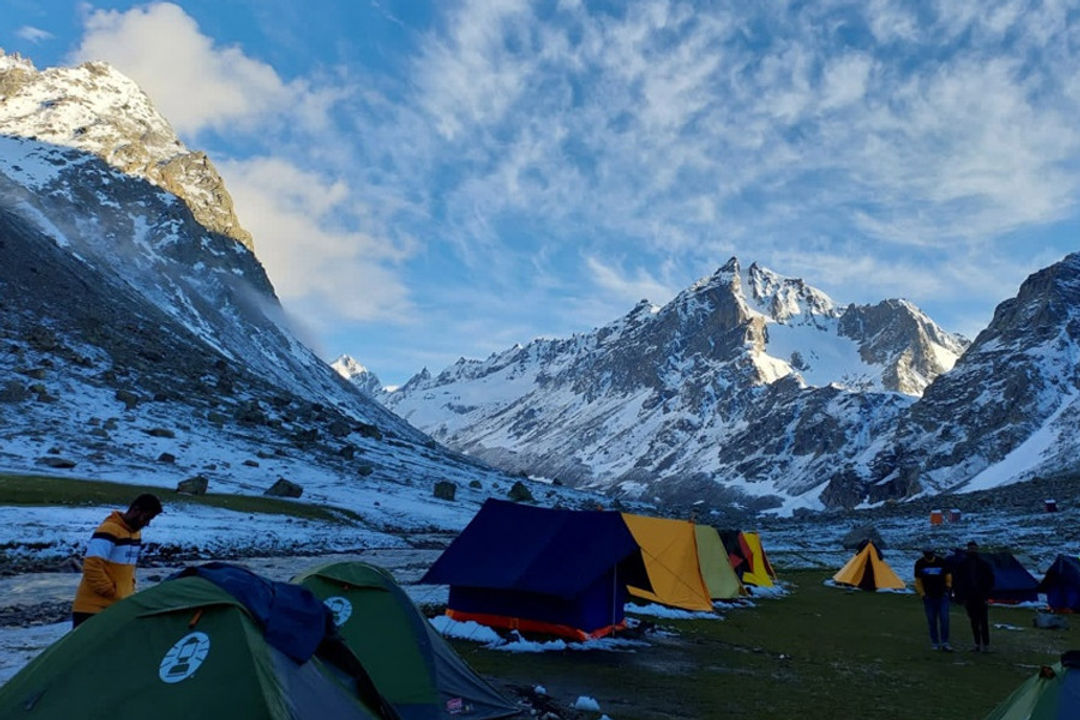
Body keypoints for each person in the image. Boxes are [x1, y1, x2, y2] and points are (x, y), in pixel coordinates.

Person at [71, 493, 162, 628]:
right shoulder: (109, 529)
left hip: (117, 608)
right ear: (136, 510)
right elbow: (91, 565)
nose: (147, 523)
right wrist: (110, 592)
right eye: (146, 517)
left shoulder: (136, 534)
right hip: (92, 609)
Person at [954, 540, 995, 652]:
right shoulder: (963, 565)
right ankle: (977, 644)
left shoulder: (983, 564)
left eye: (974, 548)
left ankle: (986, 644)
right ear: (967, 549)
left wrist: (987, 594)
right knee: (974, 621)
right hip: (969, 597)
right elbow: (958, 581)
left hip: (981, 596)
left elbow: (990, 580)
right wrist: (960, 596)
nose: (972, 550)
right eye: (970, 548)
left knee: (984, 621)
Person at [914, 548, 952, 651]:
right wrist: (922, 594)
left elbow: (948, 576)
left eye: (930, 554)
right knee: (932, 621)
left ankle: (945, 642)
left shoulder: (941, 562)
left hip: (942, 595)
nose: (928, 556)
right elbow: (918, 581)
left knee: (944, 620)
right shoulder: (919, 563)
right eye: (927, 554)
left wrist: (947, 588)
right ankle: (935, 642)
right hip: (929, 597)